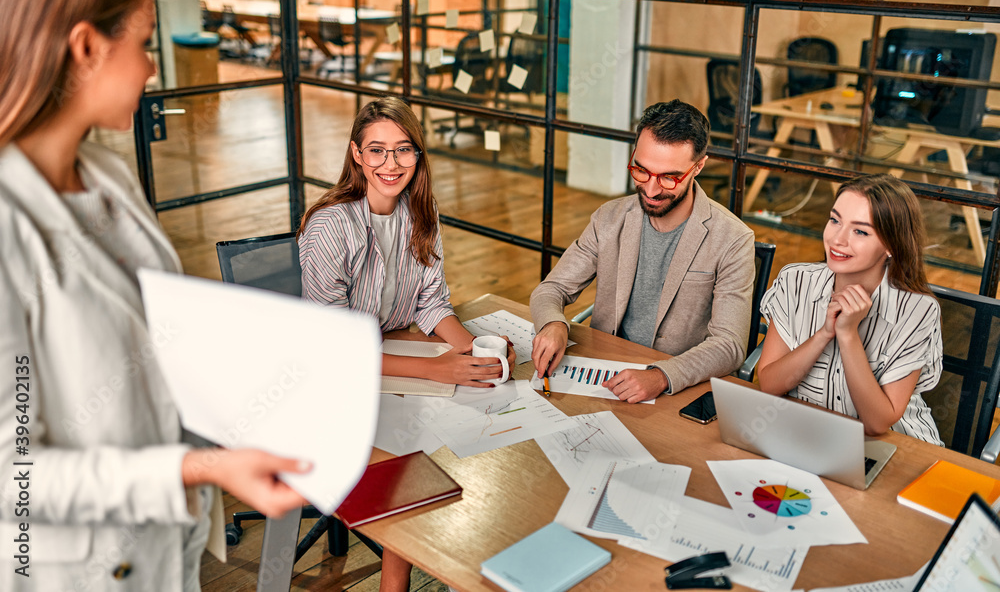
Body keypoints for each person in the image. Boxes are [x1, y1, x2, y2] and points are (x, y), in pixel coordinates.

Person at [0, 0, 309, 590]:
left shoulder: (108, 174)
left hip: (165, 552)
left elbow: (156, 333)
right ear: (84, 47)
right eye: (141, 43)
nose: (151, 67)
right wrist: (193, 470)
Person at [297, 96, 514, 592]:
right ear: (356, 154)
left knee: (466, 428)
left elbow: (430, 302)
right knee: (409, 466)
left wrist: (474, 347)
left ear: (418, 155)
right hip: (332, 376)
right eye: (376, 151)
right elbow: (335, 346)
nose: (390, 165)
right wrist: (437, 370)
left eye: (403, 150)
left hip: (394, 356)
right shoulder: (331, 226)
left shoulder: (421, 211)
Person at [530, 99, 755, 403]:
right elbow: (552, 289)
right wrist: (554, 323)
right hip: (603, 375)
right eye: (641, 171)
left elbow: (730, 344)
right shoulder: (609, 219)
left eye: (669, 177)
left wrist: (662, 375)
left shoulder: (733, 239)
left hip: (676, 386)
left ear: (699, 166)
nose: (650, 190)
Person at [757, 174, 943, 444]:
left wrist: (848, 334)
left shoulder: (917, 311)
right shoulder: (795, 281)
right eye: (835, 220)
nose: (838, 239)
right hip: (809, 435)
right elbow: (769, 384)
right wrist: (824, 334)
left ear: (891, 245)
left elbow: (878, 423)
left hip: (894, 446)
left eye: (860, 231)